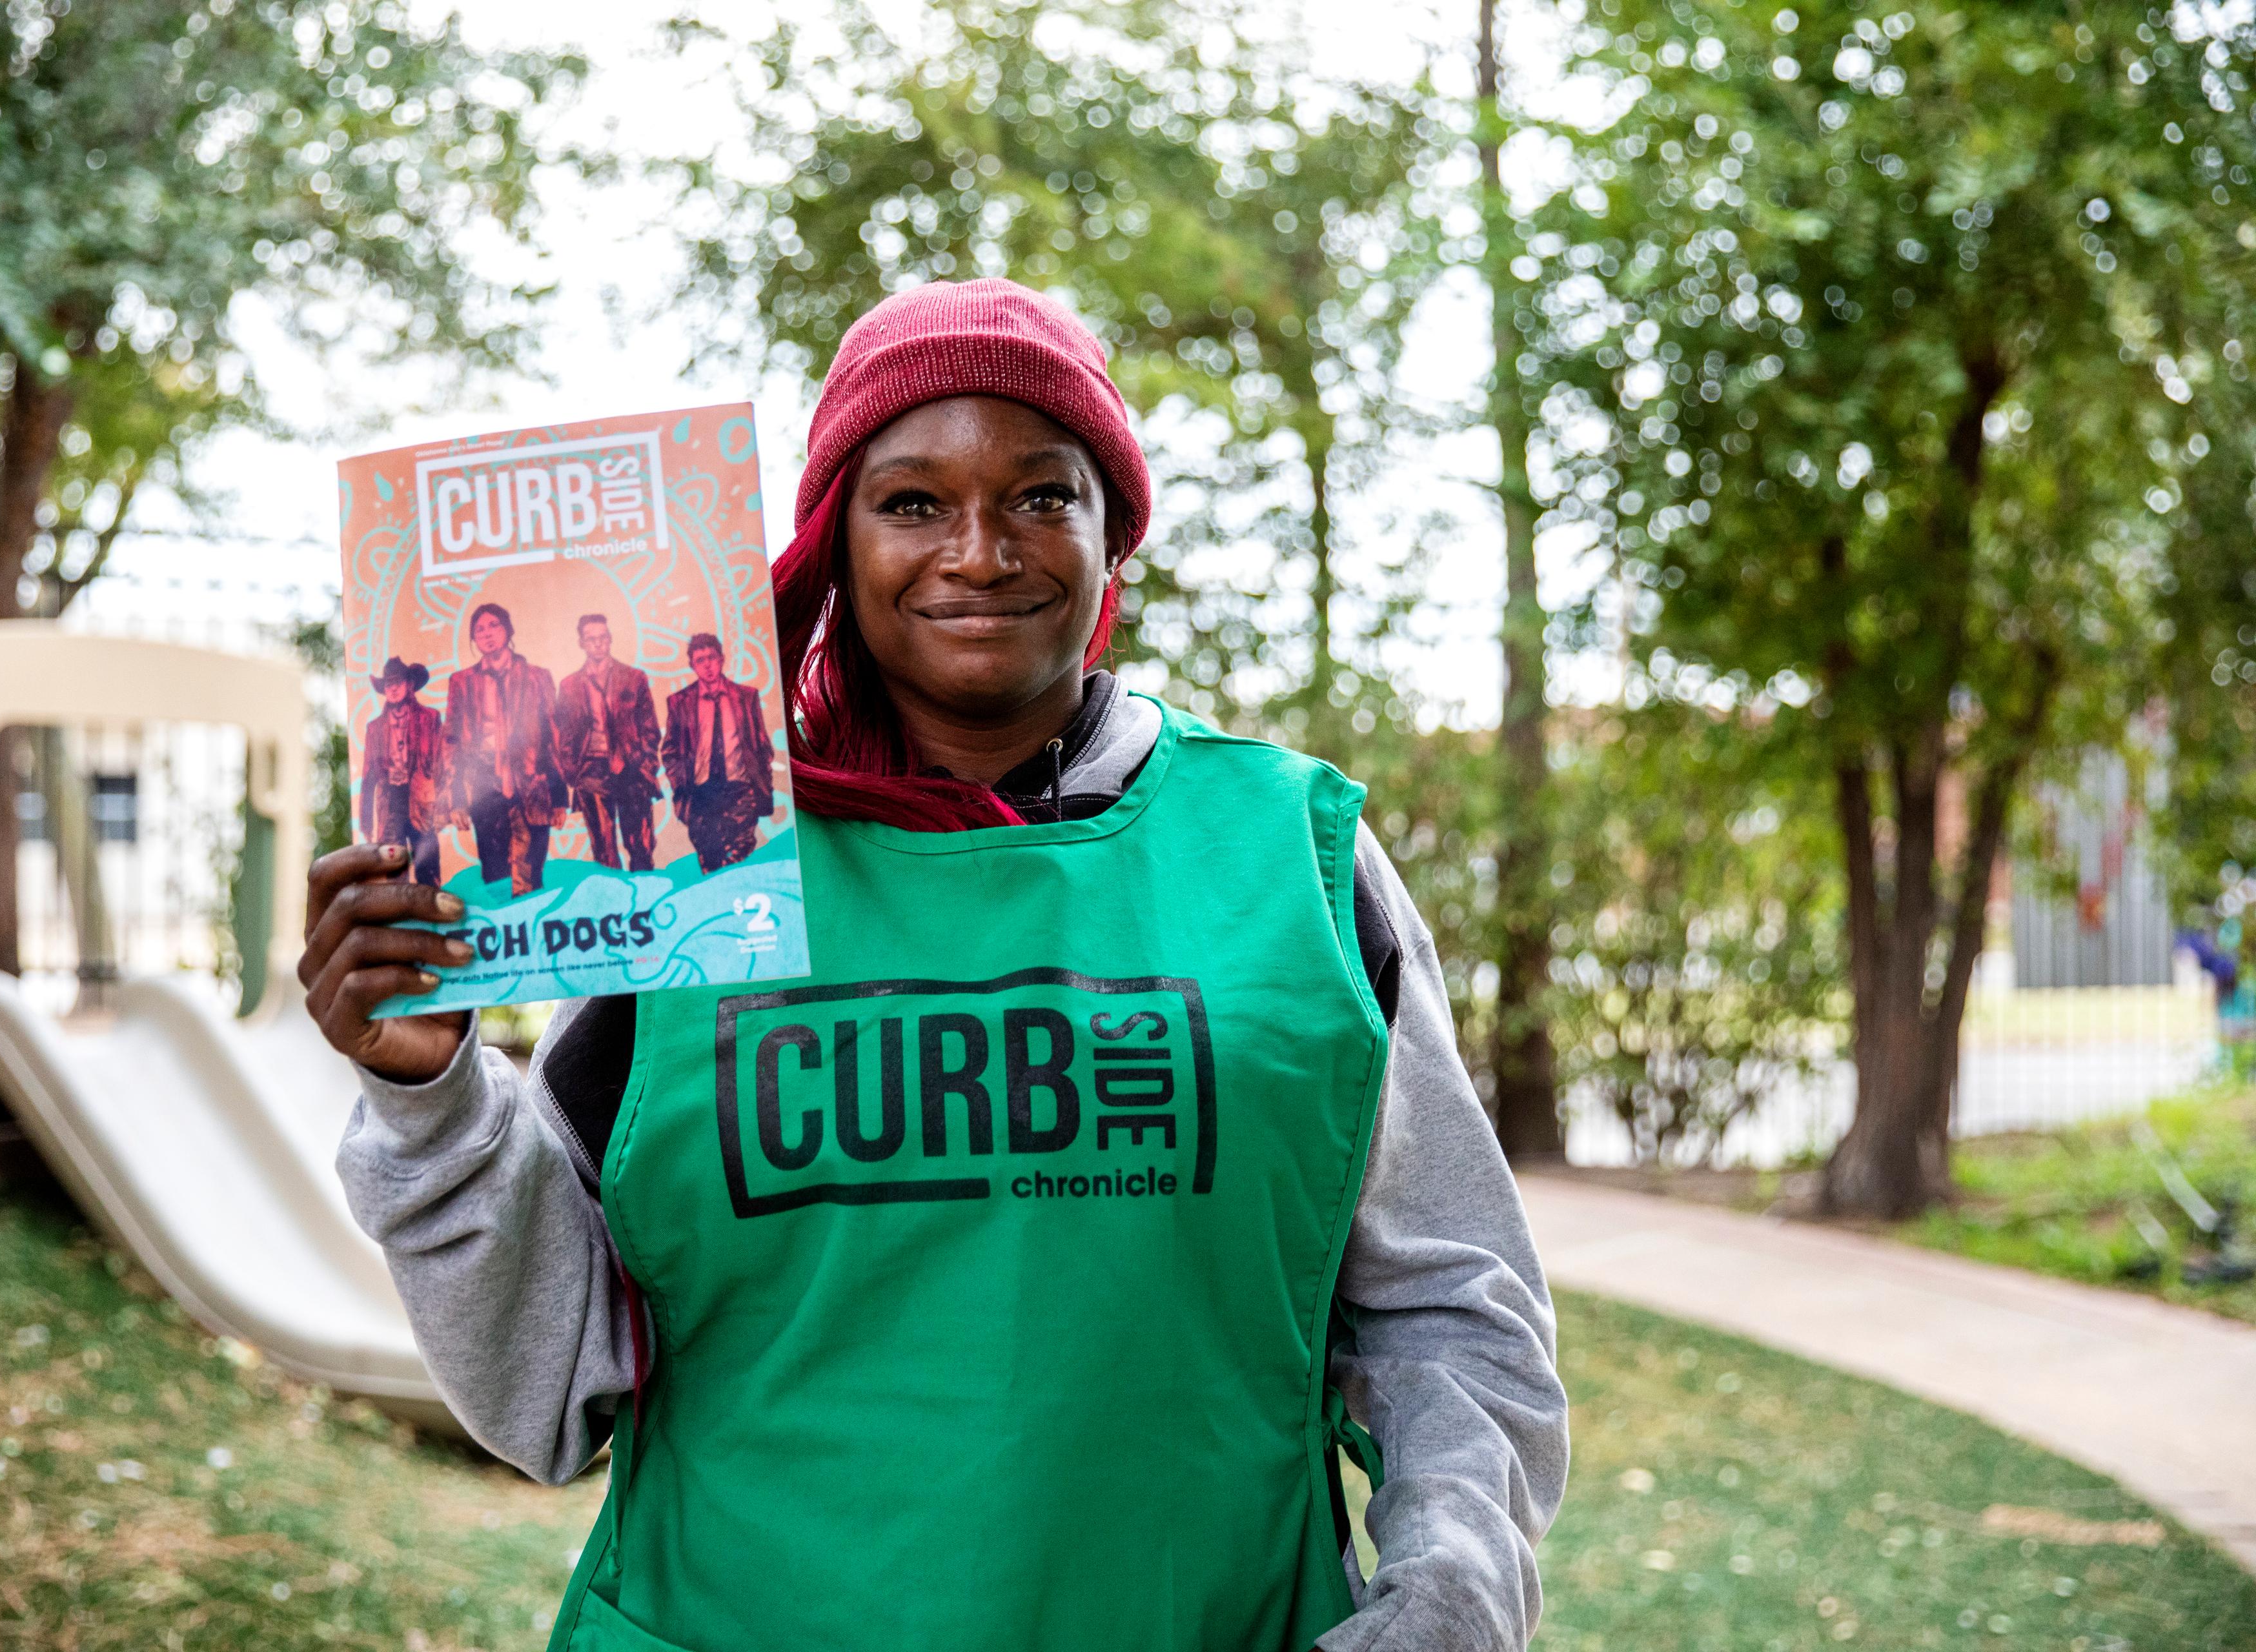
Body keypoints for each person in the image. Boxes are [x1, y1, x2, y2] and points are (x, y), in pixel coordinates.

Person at [301, 279, 1567, 1652]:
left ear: (1110, 537)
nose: (980, 549)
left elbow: (1452, 1303)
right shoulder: (700, 870)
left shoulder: (1290, 856)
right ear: (833, 540)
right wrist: (430, 1100)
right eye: (912, 501)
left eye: (1042, 495)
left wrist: (1451, 1595)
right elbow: (549, 1393)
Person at [442, 601, 561, 898]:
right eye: (479, 629)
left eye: (494, 625)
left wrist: (559, 796)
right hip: (484, 783)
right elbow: (452, 742)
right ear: (473, 639)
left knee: (532, 875)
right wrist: (456, 798)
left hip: (531, 782)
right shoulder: (462, 683)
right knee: (495, 875)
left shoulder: (538, 677)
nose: (487, 634)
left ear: (508, 630)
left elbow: (553, 736)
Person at [554, 614, 662, 871]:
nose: (598, 644)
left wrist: (645, 763)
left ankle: (646, 902)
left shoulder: (634, 678)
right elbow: (563, 733)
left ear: (610, 639)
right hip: (592, 770)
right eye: (591, 640)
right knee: (604, 851)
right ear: (582, 643)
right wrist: (573, 773)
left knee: (642, 846)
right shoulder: (569, 686)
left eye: (603, 638)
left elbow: (650, 727)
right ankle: (619, 906)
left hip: (631, 768)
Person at [660, 631, 775, 872]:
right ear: (692, 665)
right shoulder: (680, 703)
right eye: (700, 660)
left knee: (741, 855)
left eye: (711, 657)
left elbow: (762, 745)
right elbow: (670, 750)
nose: (707, 665)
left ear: (722, 659)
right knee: (710, 860)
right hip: (701, 793)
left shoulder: (746, 697)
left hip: (740, 789)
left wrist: (761, 784)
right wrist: (680, 783)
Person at [357, 656, 443, 888]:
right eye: (388, 684)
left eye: (398, 682)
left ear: (409, 685)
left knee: (428, 863)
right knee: (394, 864)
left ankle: (432, 910)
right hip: (390, 801)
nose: (393, 688)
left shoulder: (430, 718)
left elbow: (441, 763)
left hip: (421, 797)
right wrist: (365, 819)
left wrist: (444, 805)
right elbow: (368, 776)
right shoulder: (374, 728)